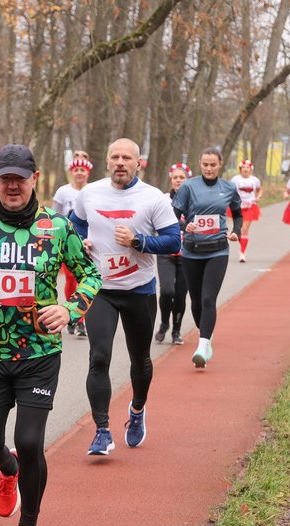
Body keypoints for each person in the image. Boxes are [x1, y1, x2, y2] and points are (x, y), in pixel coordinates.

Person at [0, 143, 101, 526]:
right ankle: (7, 469)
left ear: (35, 179)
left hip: (38, 352)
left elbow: (90, 272)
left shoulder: (57, 226)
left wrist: (69, 309)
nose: (12, 185)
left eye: (20, 178)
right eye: (4, 178)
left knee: (30, 440)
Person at [71, 138, 180, 456]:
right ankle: (102, 431)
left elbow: (173, 241)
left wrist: (139, 241)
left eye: (126, 158)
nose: (120, 162)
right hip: (101, 290)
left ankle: (136, 410)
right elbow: (75, 224)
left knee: (140, 360)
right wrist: (81, 240)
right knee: (99, 357)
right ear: (107, 161)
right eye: (114, 156)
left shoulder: (153, 198)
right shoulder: (89, 193)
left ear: (138, 163)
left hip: (139, 290)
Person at [173, 147, 242, 368]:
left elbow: (238, 214)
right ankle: (207, 337)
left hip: (218, 250)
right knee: (195, 301)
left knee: (208, 299)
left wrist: (235, 231)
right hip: (192, 250)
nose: (209, 168)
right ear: (200, 164)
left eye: (213, 164)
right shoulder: (189, 186)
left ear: (220, 163)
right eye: (205, 164)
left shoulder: (229, 188)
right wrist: (186, 224)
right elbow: (174, 216)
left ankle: (202, 346)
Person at [52, 152, 93, 337]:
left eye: (82, 170)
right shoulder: (63, 191)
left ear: (87, 173)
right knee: (71, 280)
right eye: (76, 170)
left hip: (88, 242)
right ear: (71, 172)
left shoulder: (93, 191)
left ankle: (81, 319)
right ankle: (71, 312)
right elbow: (54, 216)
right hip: (67, 241)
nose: (79, 173)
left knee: (84, 279)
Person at [155, 163, 192, 345]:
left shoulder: (194, 199)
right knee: (167, 290)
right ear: (171, 179)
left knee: (180, 294)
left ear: (188, 180)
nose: (178, 180)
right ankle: (163, 323)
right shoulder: (163, 199)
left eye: (182, 177)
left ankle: (176, 330)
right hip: (166, 251)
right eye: (175, 177)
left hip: (187, 254)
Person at [230, 159, 263, 263]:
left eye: (248, 168)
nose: (246, 169)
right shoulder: (235, 179)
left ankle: (242, 253)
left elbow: (259, 189)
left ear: (251, 170)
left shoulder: (254, 180)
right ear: (240, 169)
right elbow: (230, 190)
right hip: (237, 207)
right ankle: (243, 246)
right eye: (244, 167)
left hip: (250, 206)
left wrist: (259, 196)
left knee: (244, 229)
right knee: (239, 230)